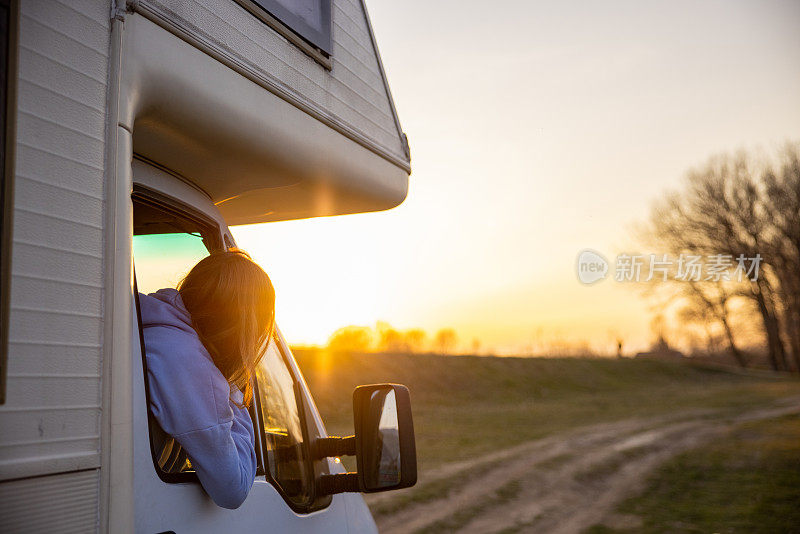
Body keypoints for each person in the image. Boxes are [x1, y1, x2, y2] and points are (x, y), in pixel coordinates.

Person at [138, 248, 275, 509]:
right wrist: (236, 390)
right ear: (244, 327)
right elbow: (232, 489)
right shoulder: (189, 363)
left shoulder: (152, 325)